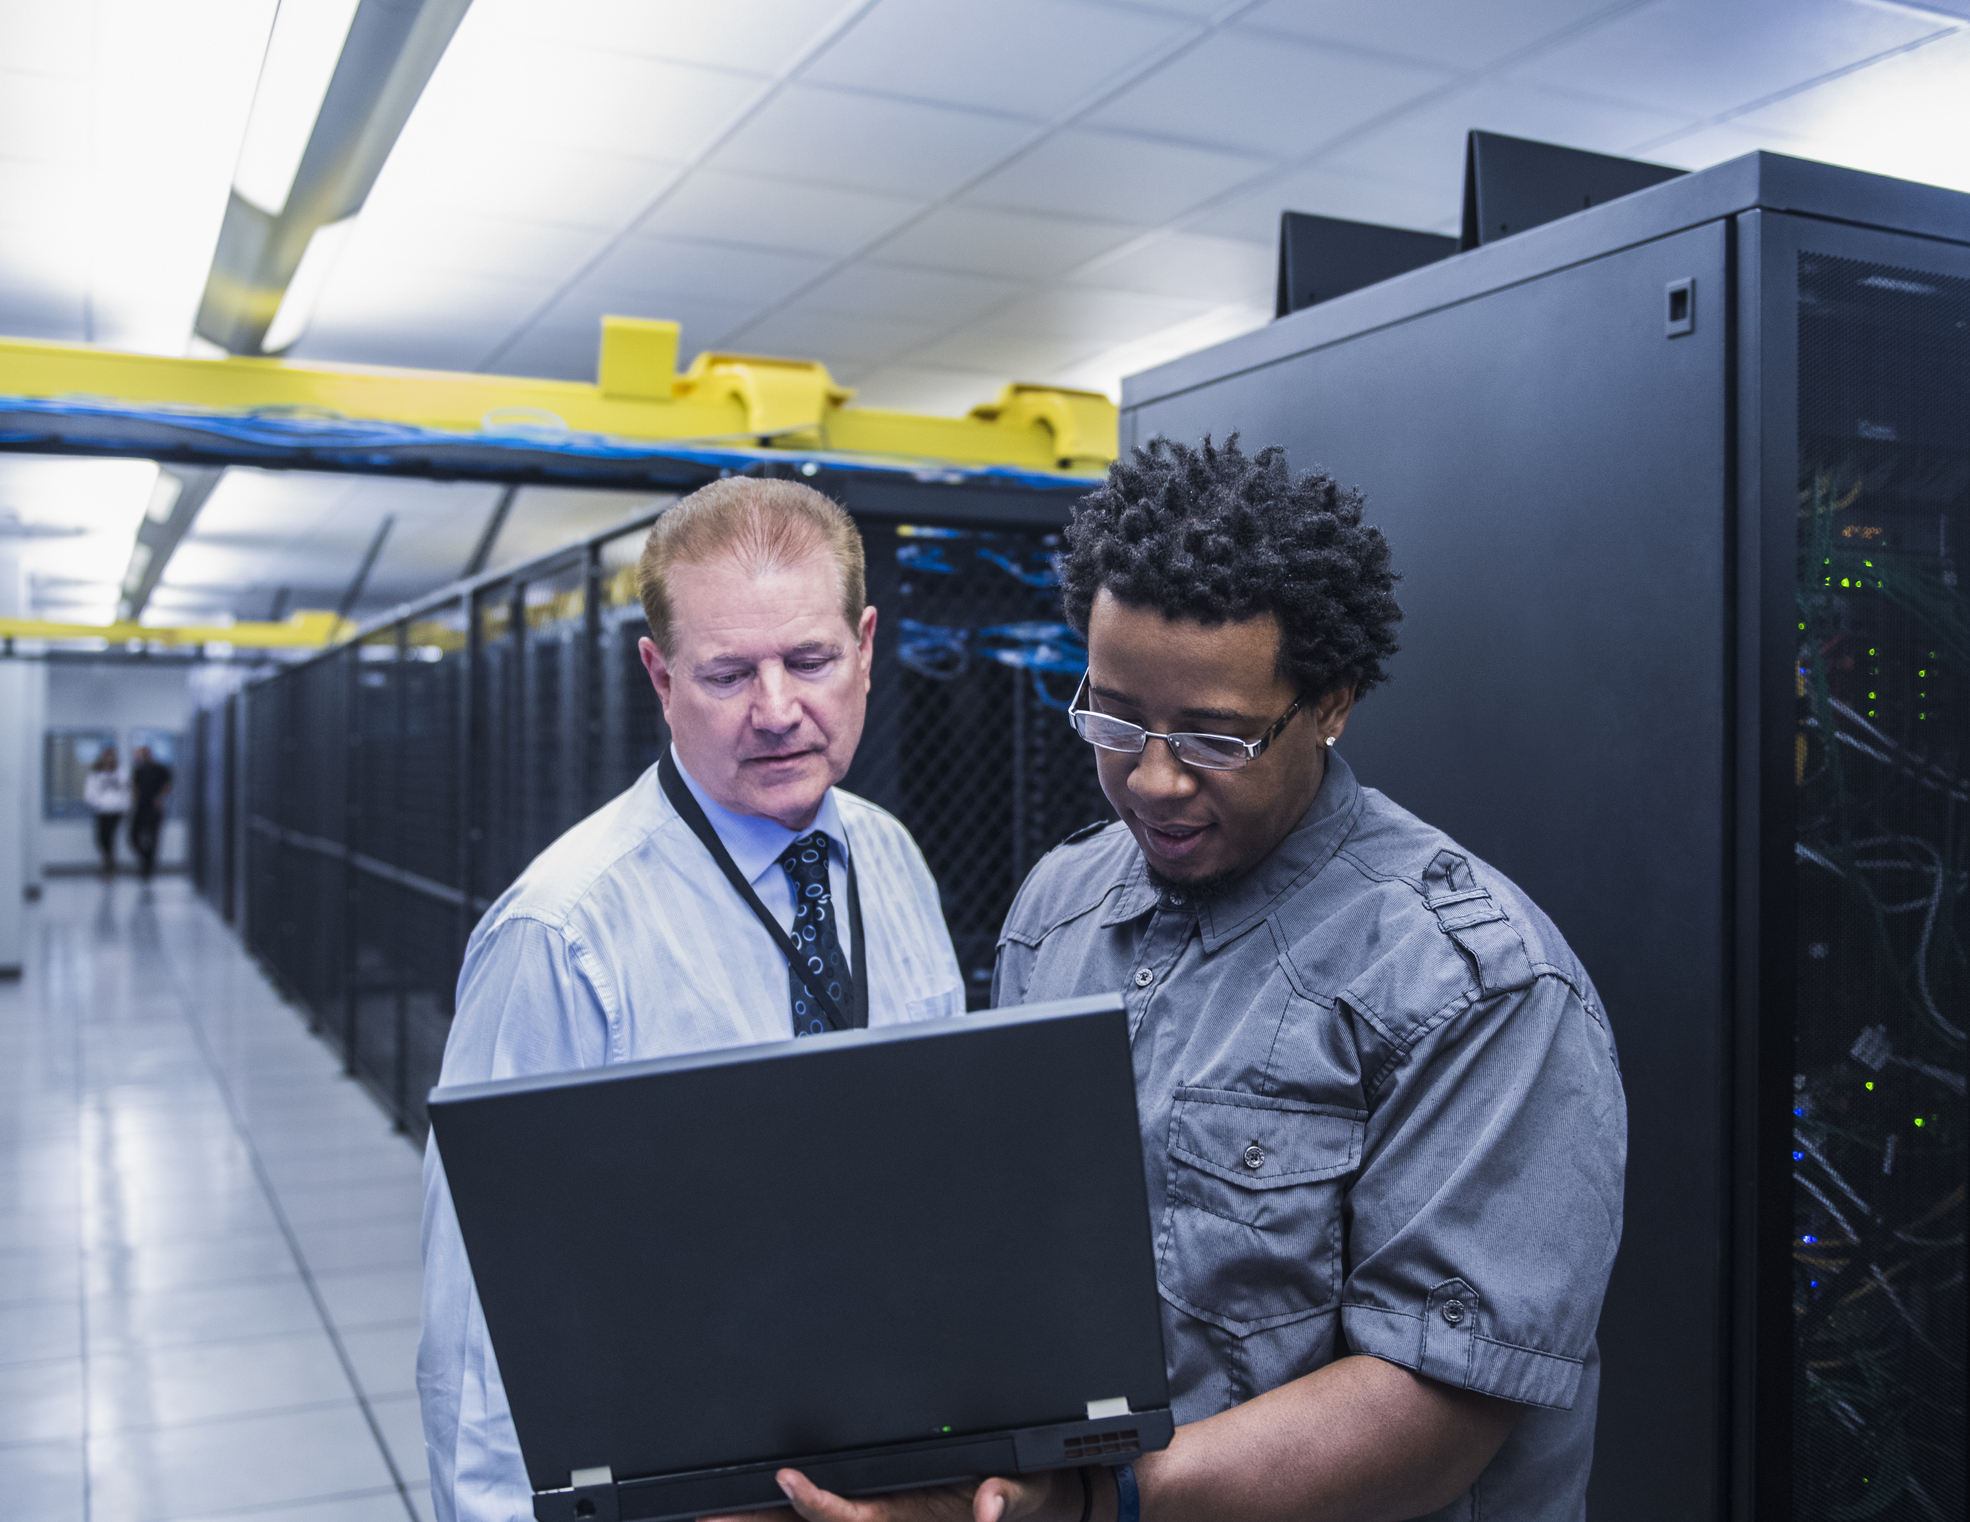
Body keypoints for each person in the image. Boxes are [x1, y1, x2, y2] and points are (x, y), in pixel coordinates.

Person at [768, 437, 1626, 1522]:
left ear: (1330, 703)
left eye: (1214, 738)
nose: (1153, 779)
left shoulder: (1478, 986)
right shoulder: (1061, 906)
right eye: (1115, 718)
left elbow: (1435, 1405)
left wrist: (1089, 1502)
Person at [418, 477, 966, 1522]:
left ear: (863, 646)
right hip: (673, 1471)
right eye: (726, 673)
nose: (775, 710)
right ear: (659, 677)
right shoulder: (564, 933)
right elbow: (484, 1319)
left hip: (884, 1439)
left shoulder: (889, 859)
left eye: (808, 660)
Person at [128, 744, 173, 881]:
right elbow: (136, 788)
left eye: (146, 753)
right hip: (141, 807)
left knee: (153, 838)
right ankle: (145, 860)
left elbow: (167, 785)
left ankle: (148, 868)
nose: (144, 756)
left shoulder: (160, 769)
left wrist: (159, 797)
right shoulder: (139, 770)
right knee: (133, 837)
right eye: (142, 754)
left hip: (155, 807)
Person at [84, 746, 129, 878]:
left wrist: (125, 806)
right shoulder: (95, 774)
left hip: (116, 811)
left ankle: (109, 867)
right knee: (100, 839)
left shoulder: (121, 773)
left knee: (109, 838)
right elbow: (89, 793)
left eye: (111, 756)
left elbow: (126, 790)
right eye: (106, 756)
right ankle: (109, 863)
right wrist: (95, 803)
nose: (109, 759)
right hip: (101, 811)